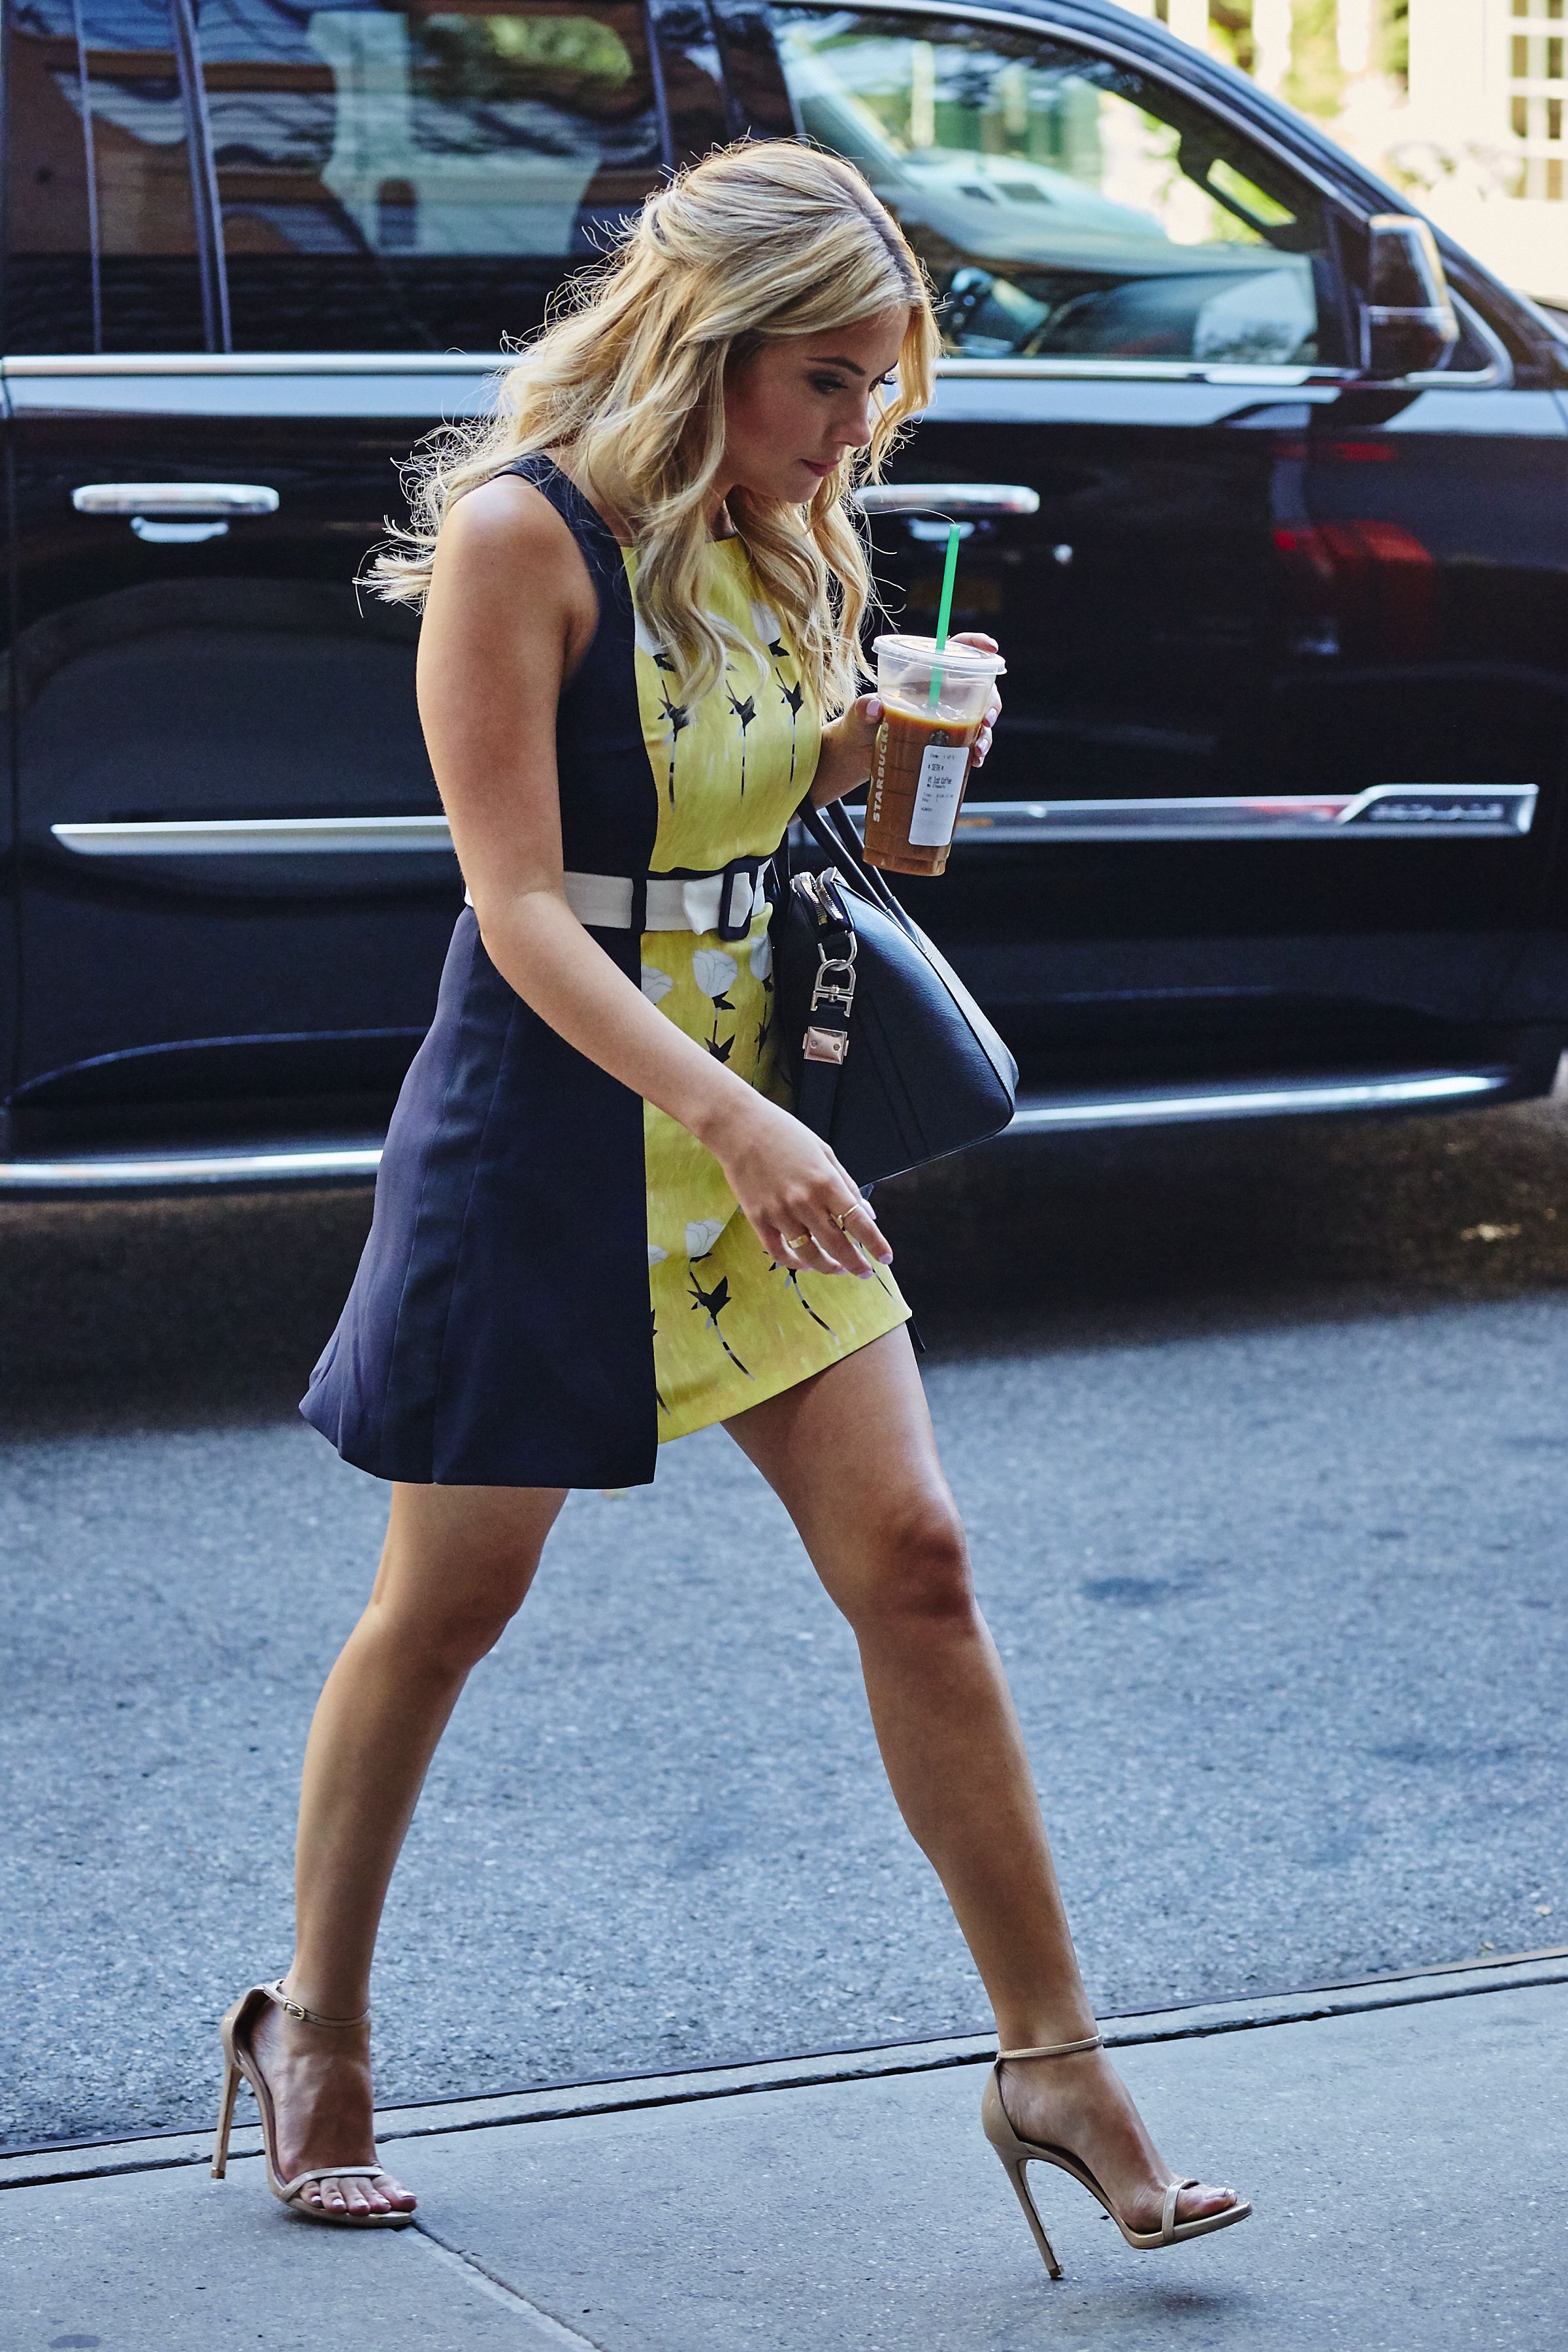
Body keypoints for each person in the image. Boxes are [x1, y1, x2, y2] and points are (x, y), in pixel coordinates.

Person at [212, 140, 1248, 2270]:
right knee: (450, 1607)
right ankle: (313, 2022)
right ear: (706, 349)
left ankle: (1055, 2064)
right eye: (829, 382)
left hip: (760, 1111)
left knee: (921, 1565)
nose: (860, 430)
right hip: (559, 1126)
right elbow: (521, 905)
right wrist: (741, 1121)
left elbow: (789, 832)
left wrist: (894, 747)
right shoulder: (526, 537)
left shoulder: (796, 529)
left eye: (882, 387)